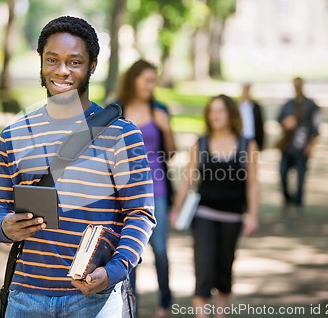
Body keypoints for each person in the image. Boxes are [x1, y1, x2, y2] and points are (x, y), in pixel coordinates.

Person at [0, 16, 156, 318]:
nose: (61, 70)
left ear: (91, 66)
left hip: (94, 300)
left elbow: (140, 214)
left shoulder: (122, 134)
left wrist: (115, 270)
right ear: (41, 62)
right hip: (26, 298)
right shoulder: (12, 136)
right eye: (52, 59)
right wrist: (4, 226)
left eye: (74, 62)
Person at [171, 95, 259, 318]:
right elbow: (187, 179)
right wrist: (176, 209)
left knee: (224, 268)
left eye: (220, 110)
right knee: (204, 268)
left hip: (233, 217)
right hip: (203, 215)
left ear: (231, 114)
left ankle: (220, 314)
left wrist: (253, 215)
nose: (215, 115)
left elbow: (253, 184)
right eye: (212, 111)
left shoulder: (247, 144)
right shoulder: (200, 143)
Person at [113, 59, 176, 318]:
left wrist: (166, 127)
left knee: (159, 248)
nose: (152, 86)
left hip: (157, 188)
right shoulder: (117, 109)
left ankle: (165, 301)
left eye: (154, 81)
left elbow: (171, 152)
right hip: (123, 192)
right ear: (133, 80)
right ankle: (131, 305)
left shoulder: (159, 109)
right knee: (130, 251)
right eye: (147, 80)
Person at [276, 77, 320, 208]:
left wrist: (311, 145)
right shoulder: (288, 104)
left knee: (301, 176)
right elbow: (279, 119)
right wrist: (286, 123)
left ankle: (298, 201)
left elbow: (316, 127)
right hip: (288, 146)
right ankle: (287, 197)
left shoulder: (310, 105)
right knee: (282, 172)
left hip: (302, 147)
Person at [239, 83, 265, 151]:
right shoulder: (238, 106)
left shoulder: (256, 107)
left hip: (253, 139)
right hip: (240, 139)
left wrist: (260, 143)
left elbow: (260, 125)